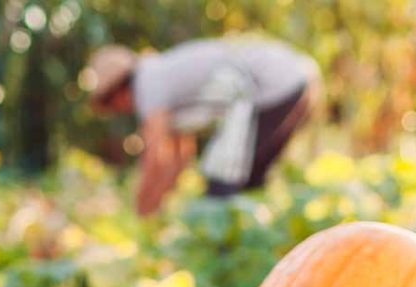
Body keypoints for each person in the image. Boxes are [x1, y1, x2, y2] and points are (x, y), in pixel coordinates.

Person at [86, 37, 319, 216]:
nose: (117, 111)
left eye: (110, 104)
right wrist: (159, 207)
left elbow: (154, 158)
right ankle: (254, 251)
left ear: (117, 91)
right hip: (290, 80)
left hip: (273, 84)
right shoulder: (161, 78)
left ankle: (233, 255)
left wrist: (139, 212)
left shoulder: (148, 83)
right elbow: (179, 157)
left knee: (222, 184)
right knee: (247, 182)